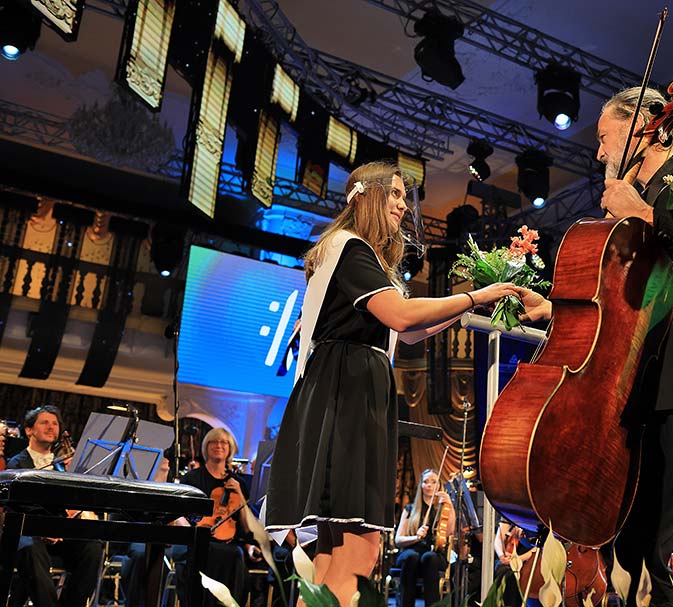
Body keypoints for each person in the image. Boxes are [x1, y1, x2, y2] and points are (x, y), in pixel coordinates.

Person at [518, 87, 673, 607]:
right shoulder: (633, 204)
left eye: (604, 136)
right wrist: (555, 309)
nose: (598, 153)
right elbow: (624, 302)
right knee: (633, 554)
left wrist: (649, 214)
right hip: (642, 391)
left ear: (643, 127)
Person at [263, 161, 521, 607]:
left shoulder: (347, 253)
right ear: (365, 196)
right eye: (396, 195)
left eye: (406, 197)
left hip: (342, 391)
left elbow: (407, 331)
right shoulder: (352, 249)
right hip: (349, 394)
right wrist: (478, 296)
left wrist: (465, 308)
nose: (404, 206)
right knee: (356, 556)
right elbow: (402, 317)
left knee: (328, 564)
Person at [6, 405, 104, 607]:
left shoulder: (63, 465)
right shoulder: (16, 464)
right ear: (29, 430)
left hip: (60, 533)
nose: (51, 427)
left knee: (92, 548)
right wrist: (45, 528)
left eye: (55, 423)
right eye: (44, 422)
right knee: (30, 547)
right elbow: (19, 504)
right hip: (30, 532)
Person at [172, 427, 263, 607]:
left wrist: (240, 495)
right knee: (212, 553)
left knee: (235, 555)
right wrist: (191, 532)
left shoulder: (239, 483)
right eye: (214, 441)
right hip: (197, 540)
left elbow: (245, 527)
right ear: (206, 447)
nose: (219, 446)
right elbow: (178, 513)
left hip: (229, 543)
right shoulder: (192, 479)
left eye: (224, 442)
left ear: (230, 449)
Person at [394, 469, 455, 607]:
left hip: (434, 554)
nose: (429, 485)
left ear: (439, 485)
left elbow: (449, 532)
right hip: (412, 552)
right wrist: (416, 537)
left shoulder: (443, 509)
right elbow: (398, 540)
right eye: (425, 482)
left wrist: (450, 505)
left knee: (429, 557)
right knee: (411, 557)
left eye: (433, 482)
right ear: (421, 485)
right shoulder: (410, 509)